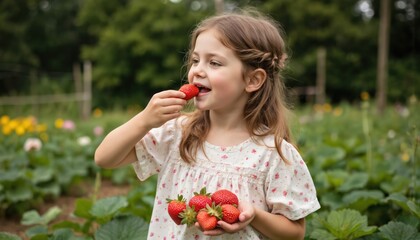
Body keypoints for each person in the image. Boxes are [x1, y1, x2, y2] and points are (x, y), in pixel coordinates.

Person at [95, 8, 320, 240]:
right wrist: (144, 120)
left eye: (214, 63)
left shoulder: (274, 153)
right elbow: (105, 157)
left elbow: (295, 233)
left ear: (253, 80)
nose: (197, 71)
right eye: (195, 60)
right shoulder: (177, 134)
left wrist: (254, 216)